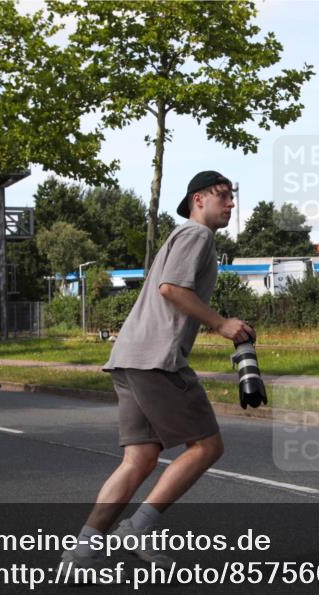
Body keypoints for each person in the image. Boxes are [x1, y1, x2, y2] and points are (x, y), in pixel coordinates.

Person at [63, 170, 254, 568]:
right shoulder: (196, 234)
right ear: (198, 199)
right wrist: (221, 324)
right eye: (223, 196)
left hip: (130, 357)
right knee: (207, 446)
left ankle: (80, 554)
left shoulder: (184, 235)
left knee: (139, 460)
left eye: (232, 197)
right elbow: (172, 288)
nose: (231, 204)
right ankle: (138, 529)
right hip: (156, 360)